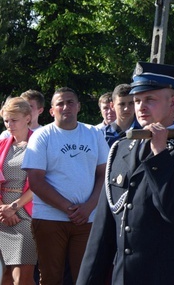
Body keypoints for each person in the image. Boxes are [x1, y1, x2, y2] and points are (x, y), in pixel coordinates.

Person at [77, 62, 174, 285]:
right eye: (137, 100)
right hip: (127, 277)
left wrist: (160, 154)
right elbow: (103, 231)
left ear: (172, 103)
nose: (140, 107)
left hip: (171, 277)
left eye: (150, 100)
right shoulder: (121, 149)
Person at [22, 87, 109, 285]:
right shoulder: (42, 136)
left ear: (78, 106)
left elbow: (104, 174)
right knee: (51, 278)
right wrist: (69, 209)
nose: (65, 107)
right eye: (60, 103)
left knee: (85, 277)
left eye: (70, 102)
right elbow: (35, 180)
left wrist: (88, 207)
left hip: (87, 219)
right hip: (50, 219)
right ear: (52, 110)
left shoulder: (93, 134)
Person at [0, 98, 36, 285]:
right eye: (6, 120)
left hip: (26, 214)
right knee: (5, 275)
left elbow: (40, 183)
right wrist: (3, 209)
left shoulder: (39, 143)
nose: (9, 125)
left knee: (22, 277)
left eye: (14, 120)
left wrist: (13, 208)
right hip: (1, 215)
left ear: (28, 118)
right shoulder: (2, 144)